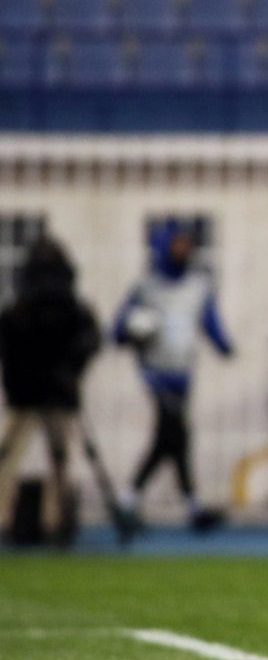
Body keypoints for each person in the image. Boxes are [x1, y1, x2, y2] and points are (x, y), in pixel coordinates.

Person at [113, 219, 233, 533]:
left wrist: (224, 346)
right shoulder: (146, 287)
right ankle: (150, 501)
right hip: (156, 373)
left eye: (186, 244)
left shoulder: (197, 286)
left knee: (172, 439)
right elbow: (118, 330)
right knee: (175, 434)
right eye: (177, 244)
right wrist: (134, 331)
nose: (183, 250)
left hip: (182, 373)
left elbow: (209, 321)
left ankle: (136, 501)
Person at [0, 236, 100, 545]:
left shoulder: (62, 307)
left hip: (47, 392)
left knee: (54, 458)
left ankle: (54, 520)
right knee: (17, 456)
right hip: (32, 392)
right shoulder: (26, 309)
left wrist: (68, 371)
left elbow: (88, 341)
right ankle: (35, 519)